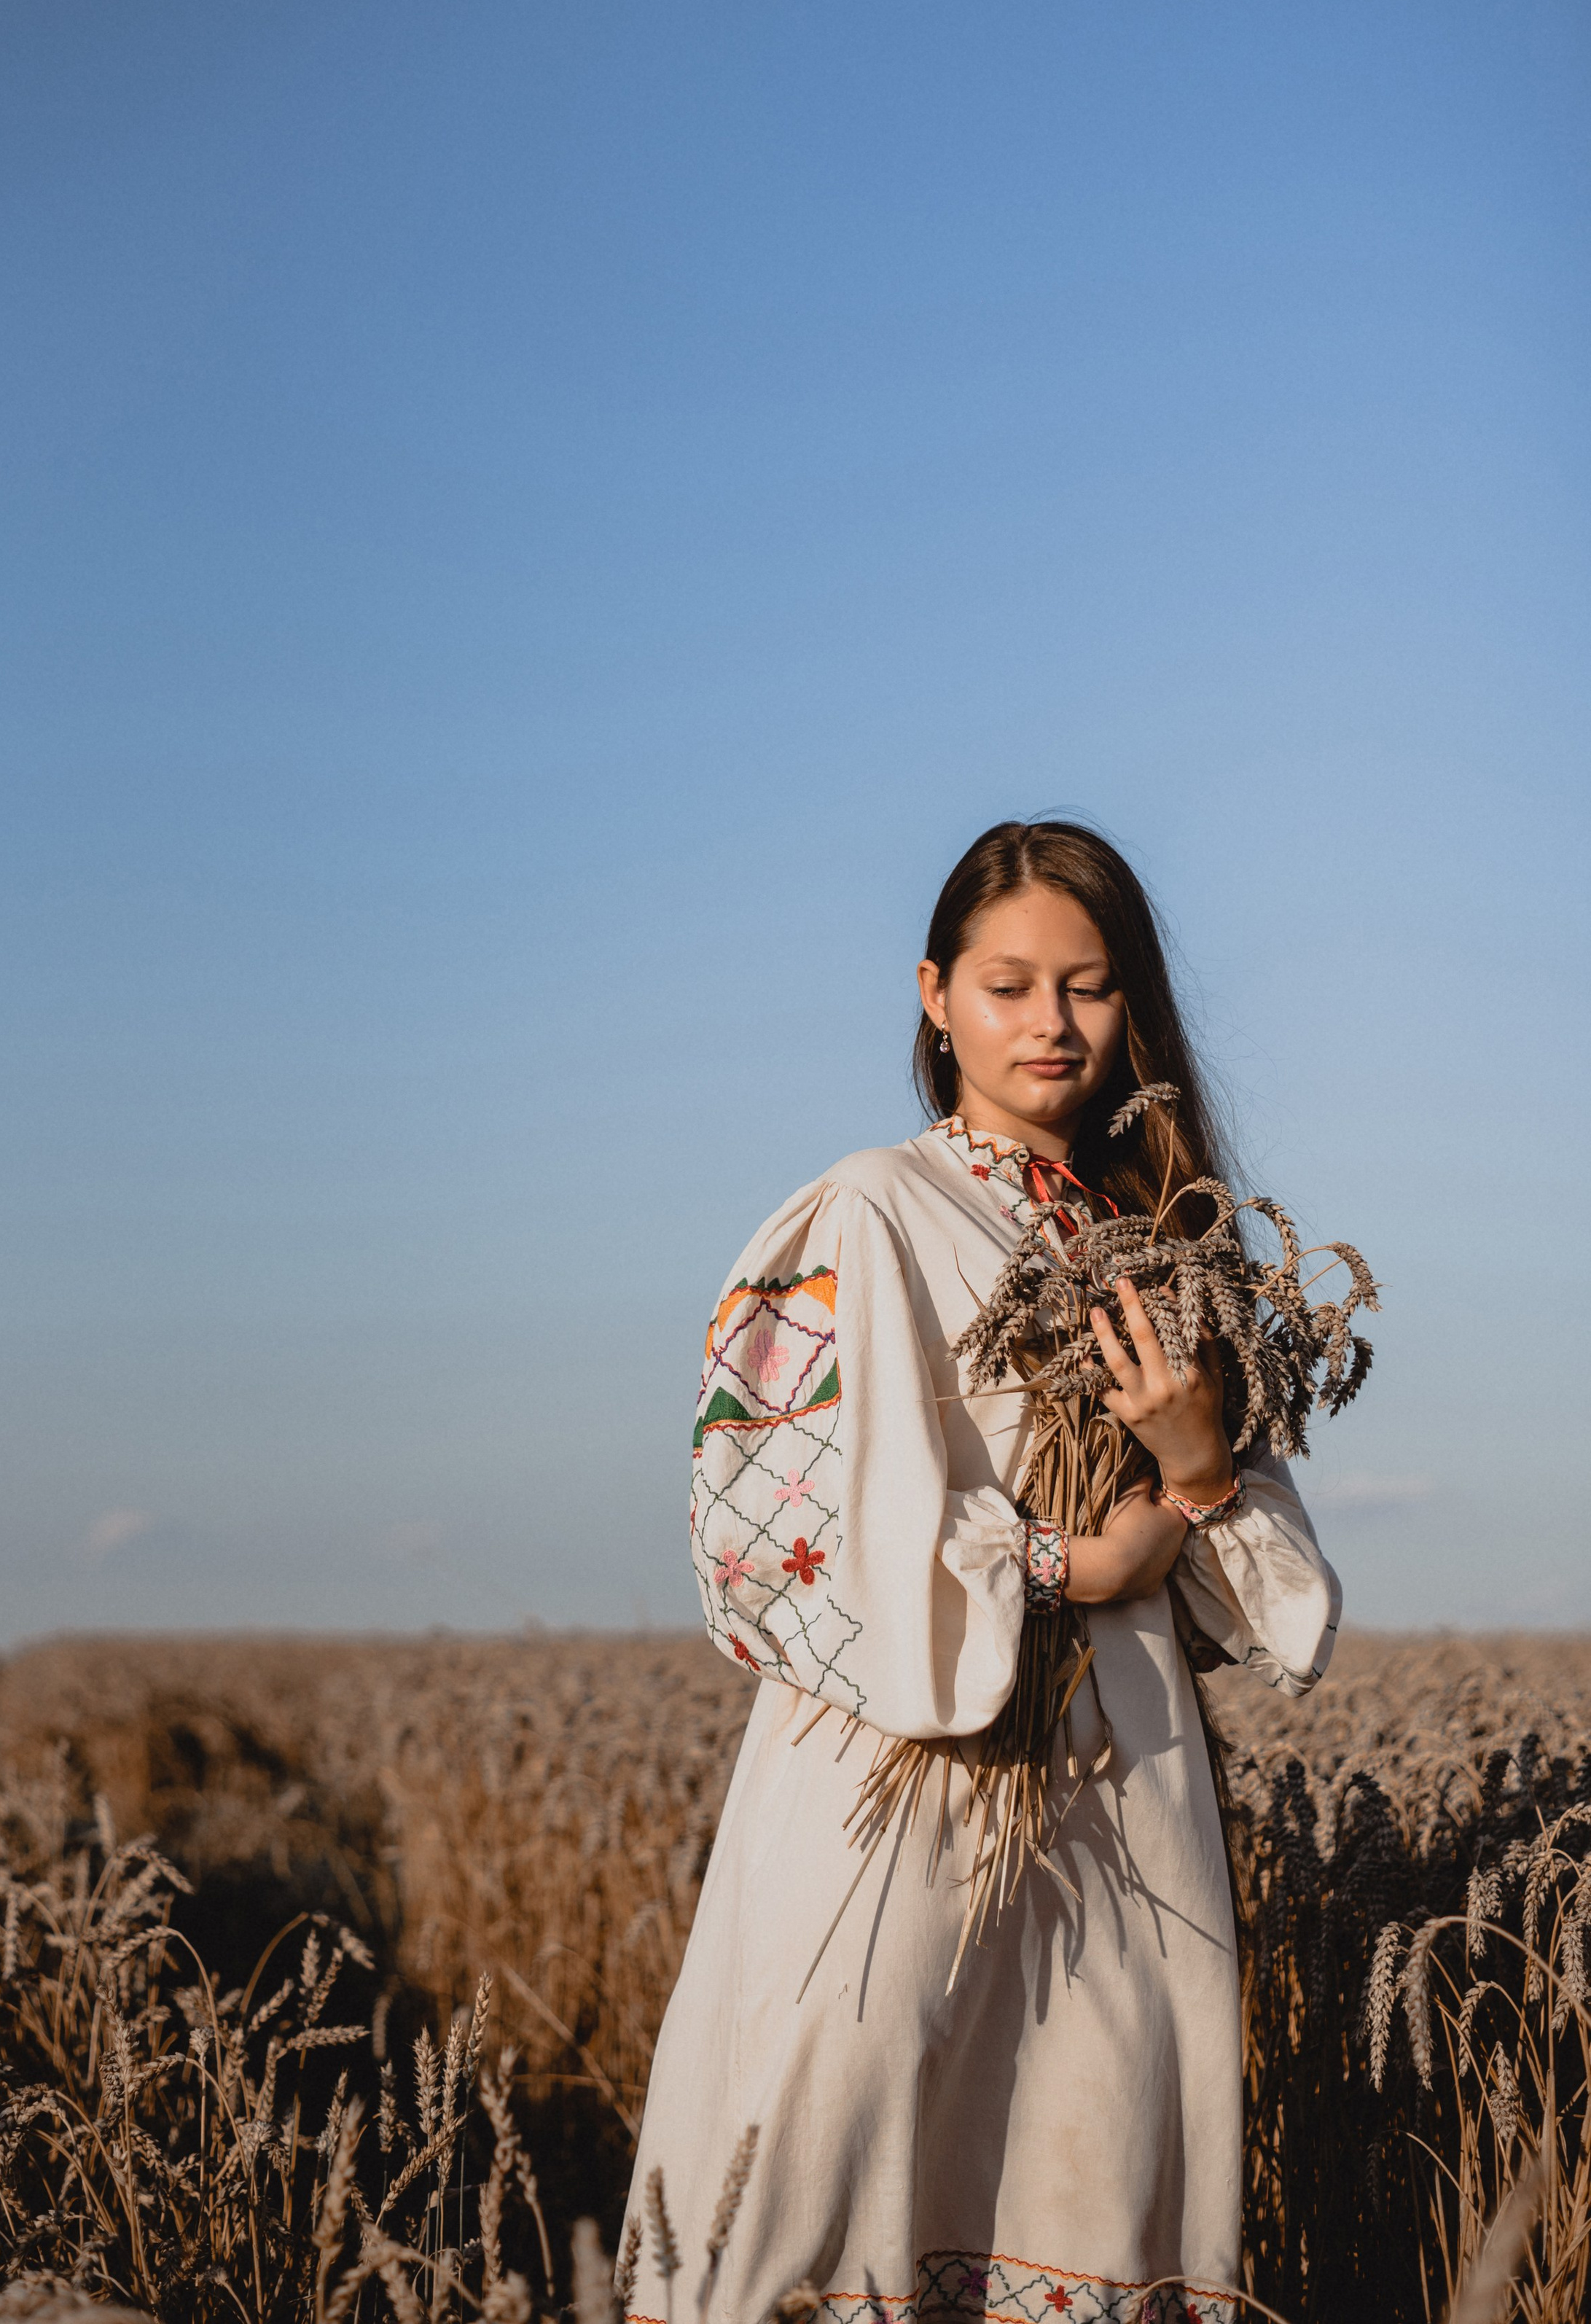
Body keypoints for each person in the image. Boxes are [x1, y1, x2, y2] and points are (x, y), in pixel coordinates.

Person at [620, 821, 1340, 2324]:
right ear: (933, 994)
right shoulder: (865, 1211)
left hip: (1123, 1826)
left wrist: (1199, 1466)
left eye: (1085, 987)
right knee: (839, 2178)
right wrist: (1074, 1556)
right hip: (899, 1798)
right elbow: (767, 1529)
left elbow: (1278, 1617)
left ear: (1127, 1005)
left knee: (1089, 2183)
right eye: (1007, 984)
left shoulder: (1166, 1248)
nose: (1048, 1024)